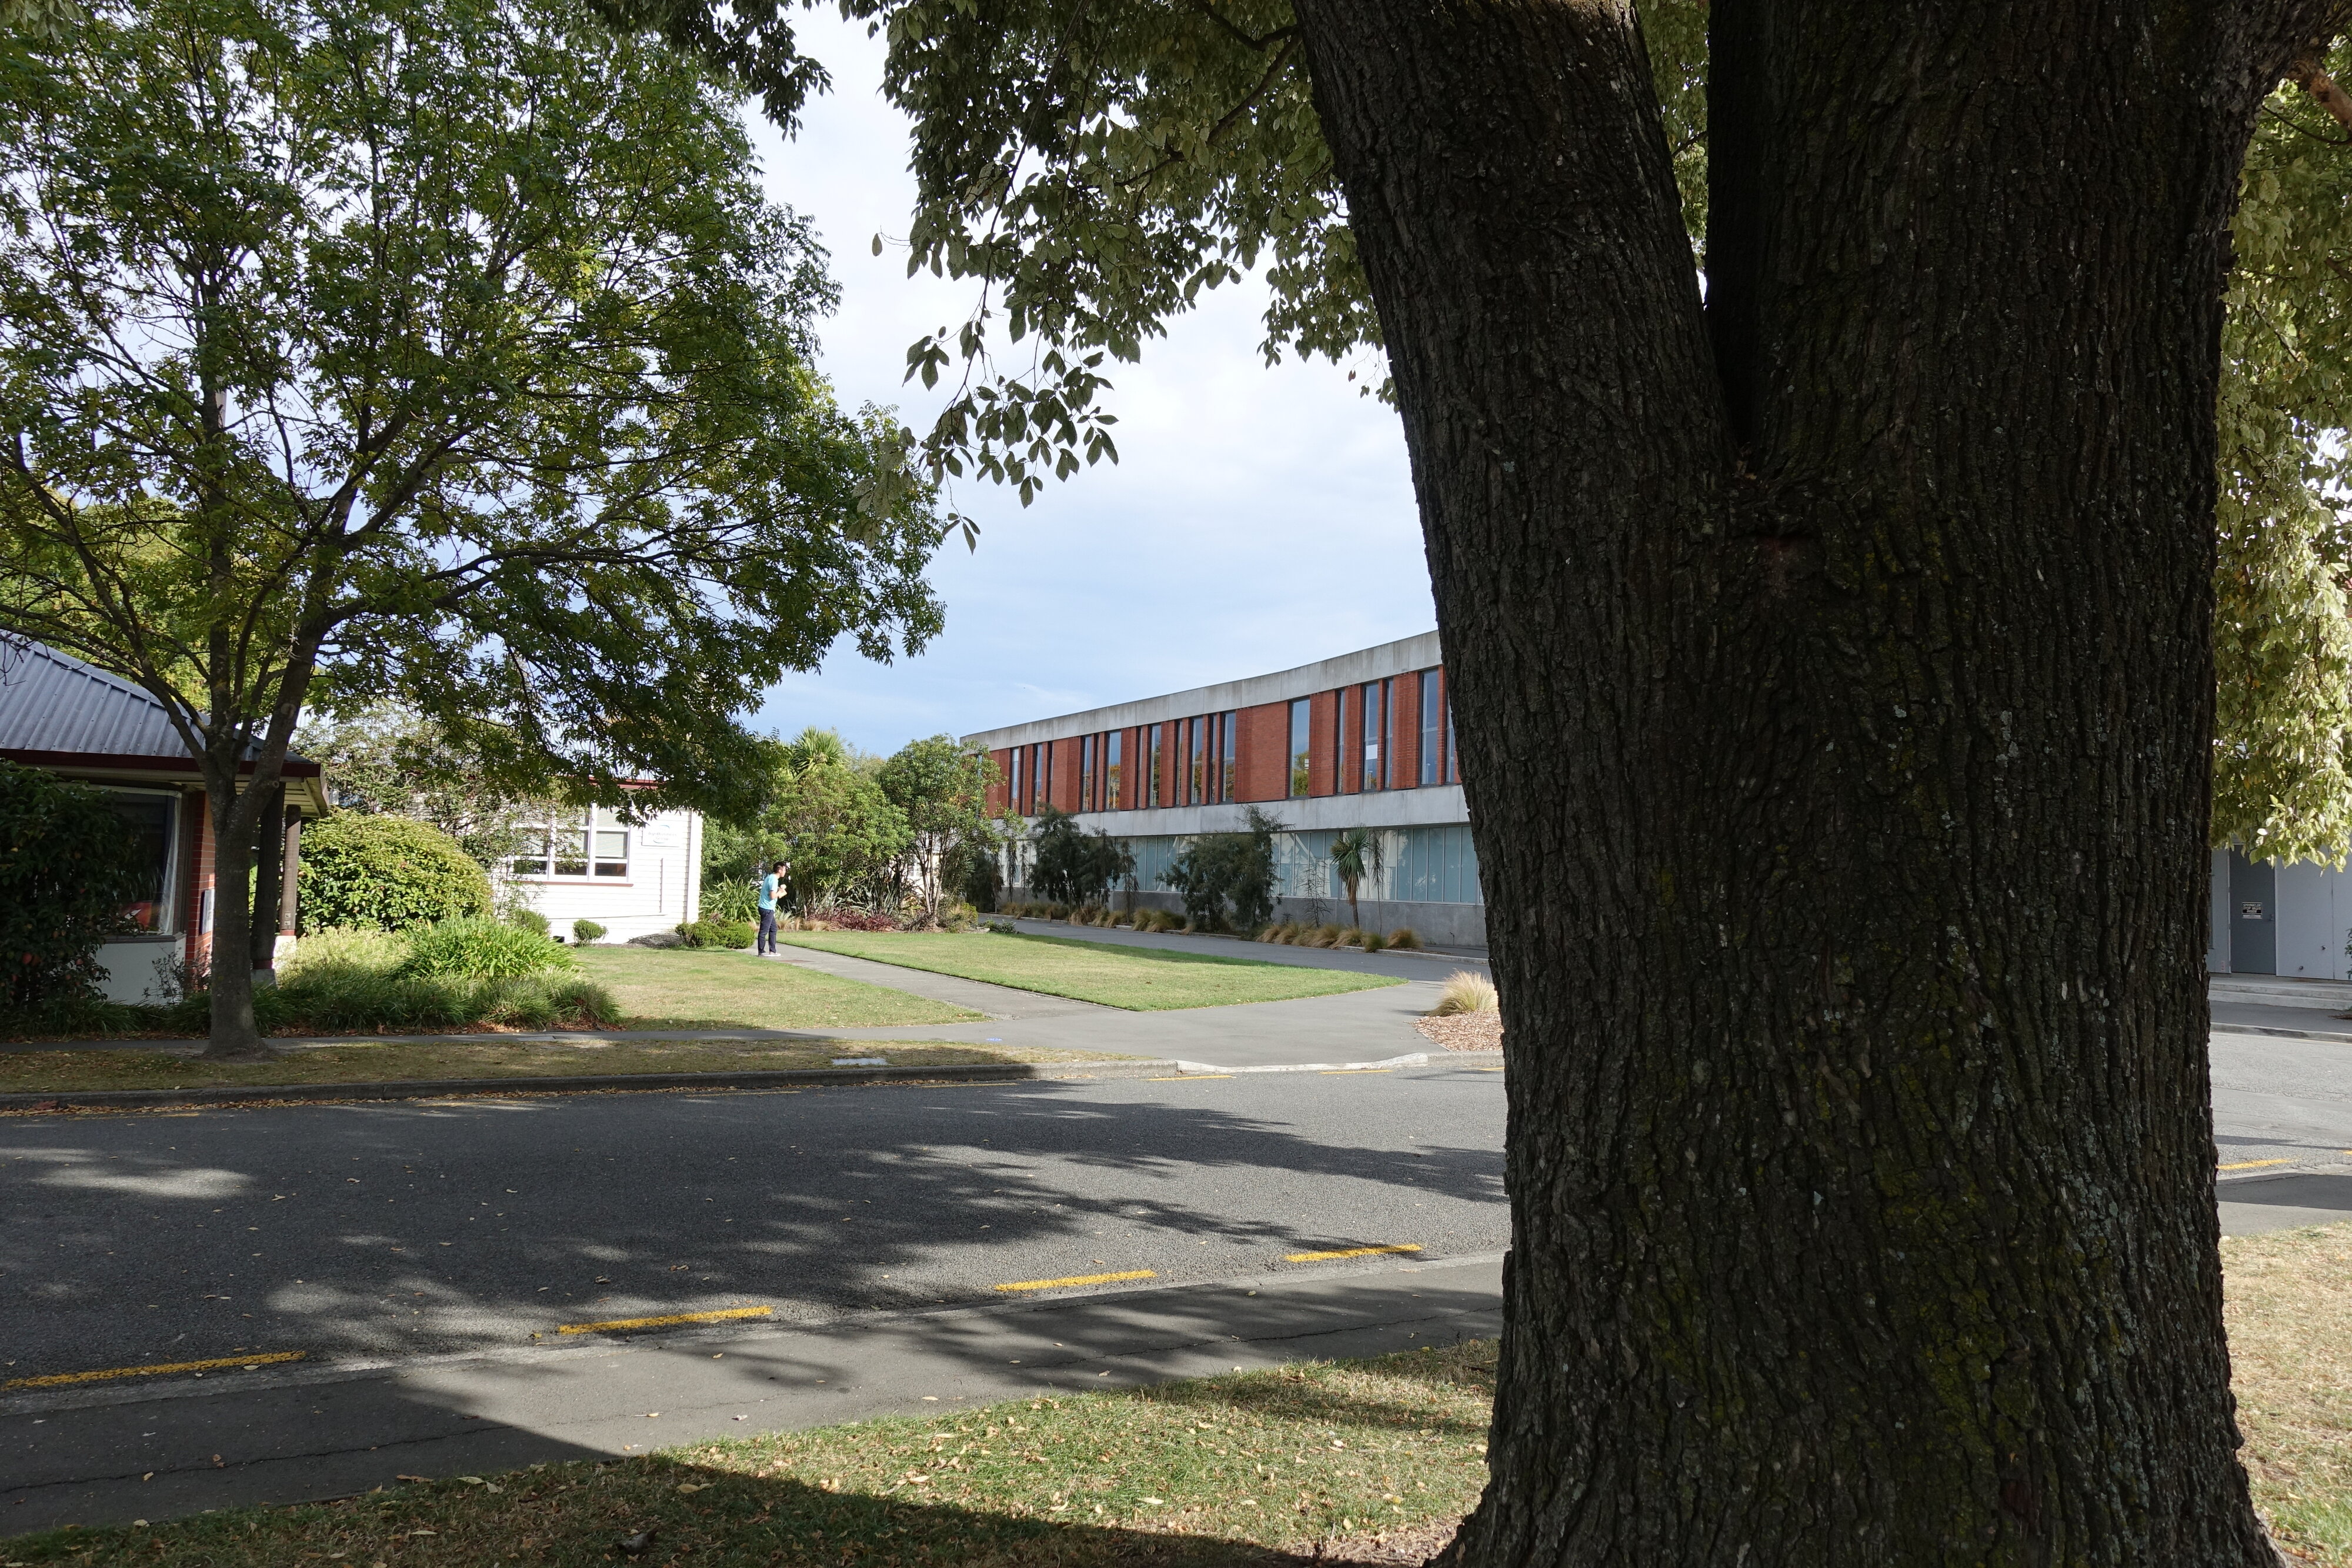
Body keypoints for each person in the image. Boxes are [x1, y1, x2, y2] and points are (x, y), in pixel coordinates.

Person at [756, 860, 787, 955]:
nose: (785, 872)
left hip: (767, 908)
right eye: (784, 870)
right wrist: (781, 891)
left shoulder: (770, 878)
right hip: (767, 908)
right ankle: (761, 952)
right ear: (780, 870)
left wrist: (781, 891)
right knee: (764, 931)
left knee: (773, 929)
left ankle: (772, 951)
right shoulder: (774, 879)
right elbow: (772, 896)